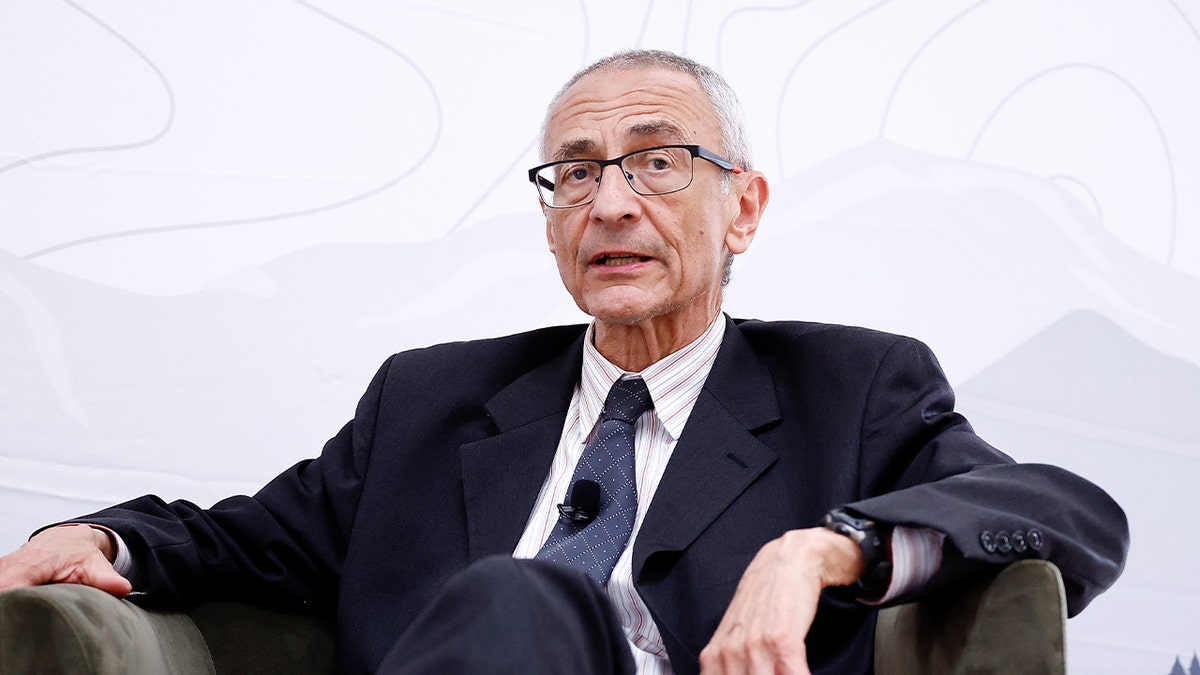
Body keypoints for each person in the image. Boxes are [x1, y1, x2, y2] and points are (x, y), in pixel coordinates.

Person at [0, 49, 1127, 674]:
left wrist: (823, 552)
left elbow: (1072, 516)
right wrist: (99, 538)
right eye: (576, 173)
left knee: (518, 597)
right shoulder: (433, 401)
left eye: (658, 162)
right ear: (549, 221)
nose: (611, 203)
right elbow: (240, 539)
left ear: (745, 209)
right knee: (515, 603)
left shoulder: (852, 387)